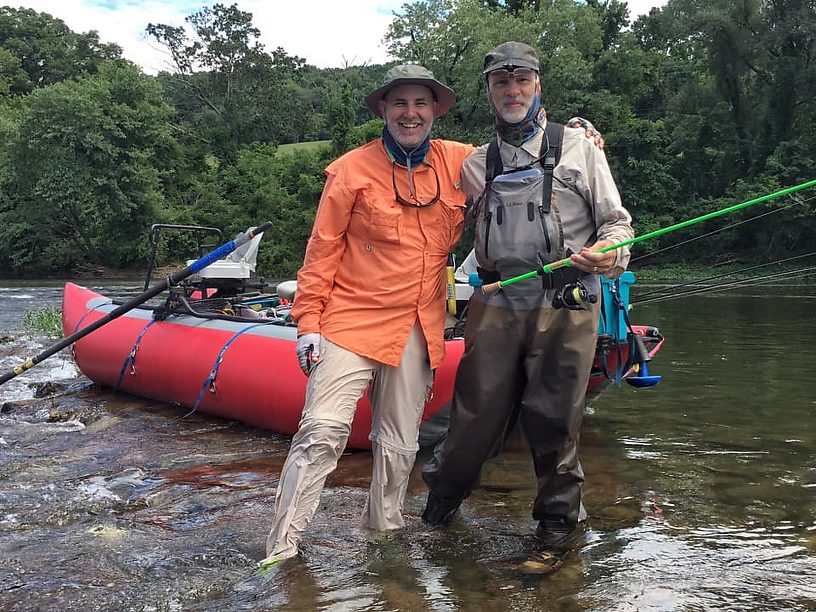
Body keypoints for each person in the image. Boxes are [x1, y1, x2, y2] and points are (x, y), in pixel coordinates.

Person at [421, 42, 634, 573]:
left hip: (567, 302)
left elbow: (617, 223)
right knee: (473, 421)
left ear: (538, 85)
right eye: (500, 83)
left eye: (521, 81)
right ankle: (438, 509)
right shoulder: (473, 164)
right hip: (496, 304)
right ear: (489, 91)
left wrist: (608, 253)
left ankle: (558, 528)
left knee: (554, 421)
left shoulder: (581, 147)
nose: (511, 91)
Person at [260, 64, 475, 568]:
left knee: (400, 445)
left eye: (421, 103)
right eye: (399, 103)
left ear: (435, 111)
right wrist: (307, 324)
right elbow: (322, 251)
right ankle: (282, 546)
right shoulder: (349, 171)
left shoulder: (463, 161)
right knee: (322, 431)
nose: (410, 113)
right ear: (382, 109)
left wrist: (572, 133)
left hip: (419, 329)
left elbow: (520, 153)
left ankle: (383, 537)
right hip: (349, 322)